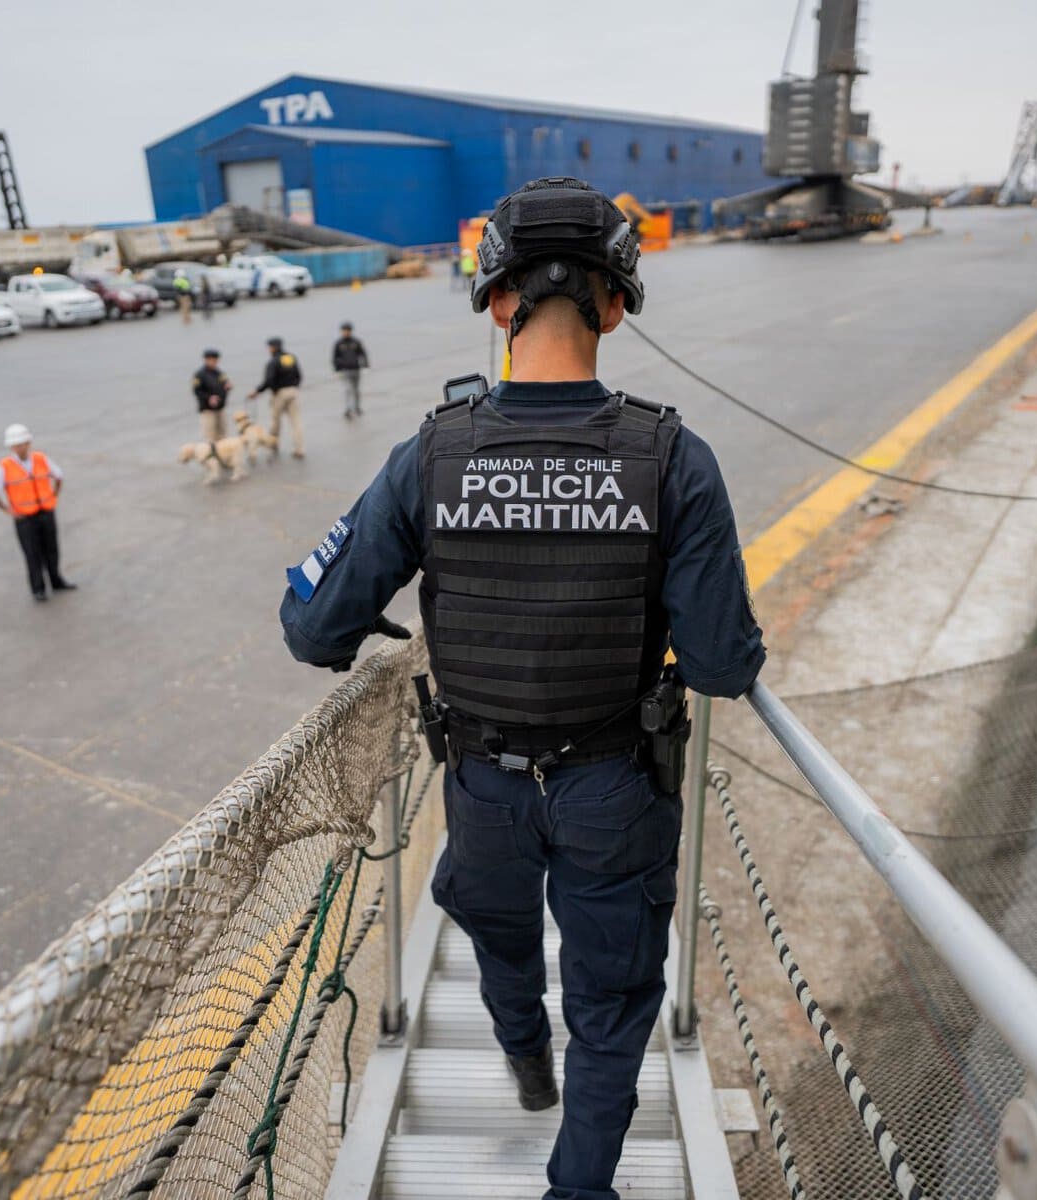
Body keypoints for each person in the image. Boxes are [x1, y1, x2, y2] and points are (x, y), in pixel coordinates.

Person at [277, 176, 764, 1200]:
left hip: (483, 787)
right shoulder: (675, 459)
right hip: (617, 789)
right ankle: (577, 1187)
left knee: (499, 935)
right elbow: (723, 664)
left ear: (497, 301)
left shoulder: (432, 453)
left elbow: (313, 628)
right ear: (616, 305)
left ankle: (524, 1055)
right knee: (614, 999)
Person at [0, 423, 77, 602]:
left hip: (46, 512)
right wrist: (7, 509)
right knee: (32, 554)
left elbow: (58, 476)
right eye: (16, 445)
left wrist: (54, 495)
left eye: (23, 443)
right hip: (25, 518)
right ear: (11, 447)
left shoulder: (41, 459)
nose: (20, 448)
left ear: (29, 443)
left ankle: (56, 581)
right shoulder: (4, 466)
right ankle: (38, 589)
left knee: (52, 550)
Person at [249, 337, 304, 459]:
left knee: (275, 421)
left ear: (273, 347)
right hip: (293, 392)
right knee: (296, 422)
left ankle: (273, 444)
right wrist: (295, 386)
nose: (269, 349)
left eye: (269, 347)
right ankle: (299, 449)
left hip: (279, 393)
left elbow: (269, 380)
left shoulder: (273, 361)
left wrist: (257, 391)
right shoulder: (291, 357)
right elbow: (299, 375)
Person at [331, 321, 369, 419]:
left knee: (356, 390)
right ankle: (348, 409)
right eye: (344, 330)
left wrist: (365, 364)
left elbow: (363, 353)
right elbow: (335, 357)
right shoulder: (339, 344)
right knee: (347, 389)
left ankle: (357, 407)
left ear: (351, 331)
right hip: (345, 370)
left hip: (356, 369)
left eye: (347, 330)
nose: (346, 332)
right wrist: (336, 369)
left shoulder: (356, 342)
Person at [192, 347, 231, 443]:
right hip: (208, 410)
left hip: (220, 408)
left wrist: (228, 386)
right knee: (210, 437)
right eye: (212, 360)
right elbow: (196, 391)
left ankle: (223, 451)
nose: (214, 362)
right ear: (206, 360)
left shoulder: (219, 373)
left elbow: (225, 383)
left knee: (223, 434)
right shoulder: (199, 375)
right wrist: (209, 398)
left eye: (216, 360)